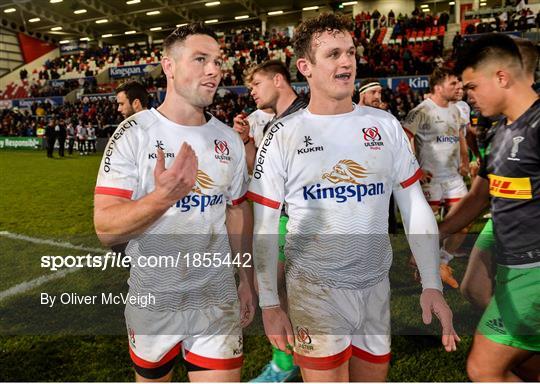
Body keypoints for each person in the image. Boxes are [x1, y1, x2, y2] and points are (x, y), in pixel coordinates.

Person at [248, 13, 459, 382]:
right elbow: (264, 225)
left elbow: (413, 205)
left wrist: (431, 283)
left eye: (350, 52)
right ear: (306, 67)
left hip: (376, 288)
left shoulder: (386, 126)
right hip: (315, 290)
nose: (346, 61)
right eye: (332, 54)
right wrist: (269, 303)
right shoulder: (282, 135)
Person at [94, 23, 256, 382]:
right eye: (201, 59)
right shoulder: (132, 135)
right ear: (168, 66)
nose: (214, 70)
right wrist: (163, 197)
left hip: (216, 297)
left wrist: (246, 279)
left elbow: (237, 210)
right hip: (154, 300)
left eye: (217, 61)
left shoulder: (227, 139)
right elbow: (105, 229)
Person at [442, 33, 539, 382]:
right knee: (476, 293)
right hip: (511, 259)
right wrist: (435, 235)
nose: (468, 95)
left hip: (533, 270)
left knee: (483, 367)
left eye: (472, 86)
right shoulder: (499, 132)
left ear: (502, 77)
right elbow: (480, 196)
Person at [233, 60, 306, 383]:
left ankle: (291, 361)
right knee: (276, 289)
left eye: (256, 84)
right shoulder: (274, 122)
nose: (252, 92)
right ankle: (288, 359)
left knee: (279, 290)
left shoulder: (308, 114)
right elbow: (260, 173)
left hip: (307, 223)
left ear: (278, 80)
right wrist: (249, 142)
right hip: (282, 218)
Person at [459, 36, 539, 310]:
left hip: (526, 226)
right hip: (501, 211)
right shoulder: (498, 112)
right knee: (473, 287)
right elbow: (474, 134)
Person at [403, 67, 470, 288]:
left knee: (464, 222)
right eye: (454, 84)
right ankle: (426, 268)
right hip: (431, 179)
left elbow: (459, 135)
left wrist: (465, 159)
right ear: (438, 87)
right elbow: (404, 139)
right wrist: (415, 169)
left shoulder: (456, 110)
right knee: (428, 228)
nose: (459, 87)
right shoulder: (421, 111)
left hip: (453, 177)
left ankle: (442, 261)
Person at [359, 78, 397, 234]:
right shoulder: (350, 116)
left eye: (379, 92)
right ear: (362, 94)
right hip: (360, 182)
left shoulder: (384, 118)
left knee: (388, 226)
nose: (377, 96)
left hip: (384, 180)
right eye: (373, 92)